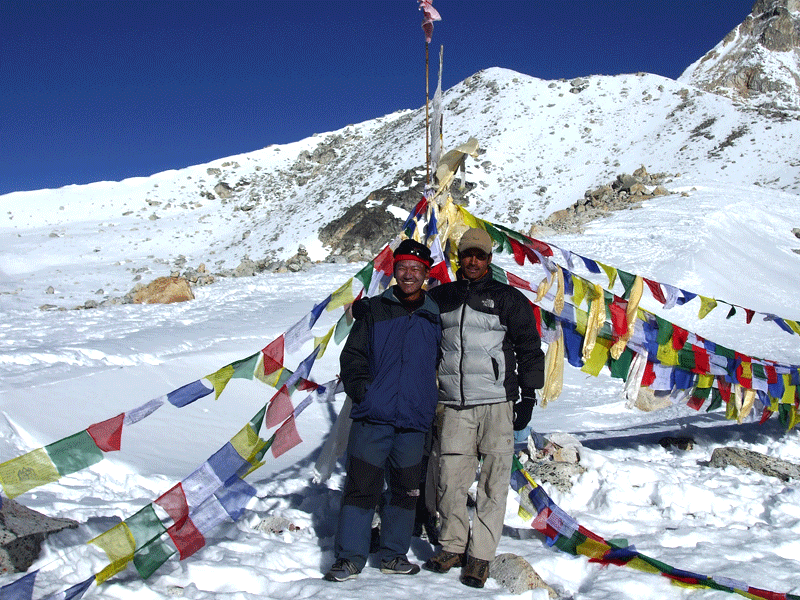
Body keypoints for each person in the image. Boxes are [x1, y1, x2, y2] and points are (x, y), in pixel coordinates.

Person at [424, 227, 544, 588]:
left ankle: (480, 556)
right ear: (459, 257)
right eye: (468, 254)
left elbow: (529, 347)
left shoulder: (507, 297)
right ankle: (452, 546)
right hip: (453, 404)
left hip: (496, 404)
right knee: (450, 480)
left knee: (493, 483)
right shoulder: (440, 296)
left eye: (481, 255)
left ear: (490, 260)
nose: (474, 261)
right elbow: (413, 327)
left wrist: (529, 395)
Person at [324, 239, 442, 582]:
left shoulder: (435, 315)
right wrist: (365, 394)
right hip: (373, 418)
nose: (409, 275)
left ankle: (393, 554)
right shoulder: (374, 309)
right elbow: (353, 357)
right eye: (403, 268)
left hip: (414, 421)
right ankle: (349, 557)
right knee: (361, 488)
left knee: (405, 492)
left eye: (416, 269)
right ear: (394, 271)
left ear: (425, 274)